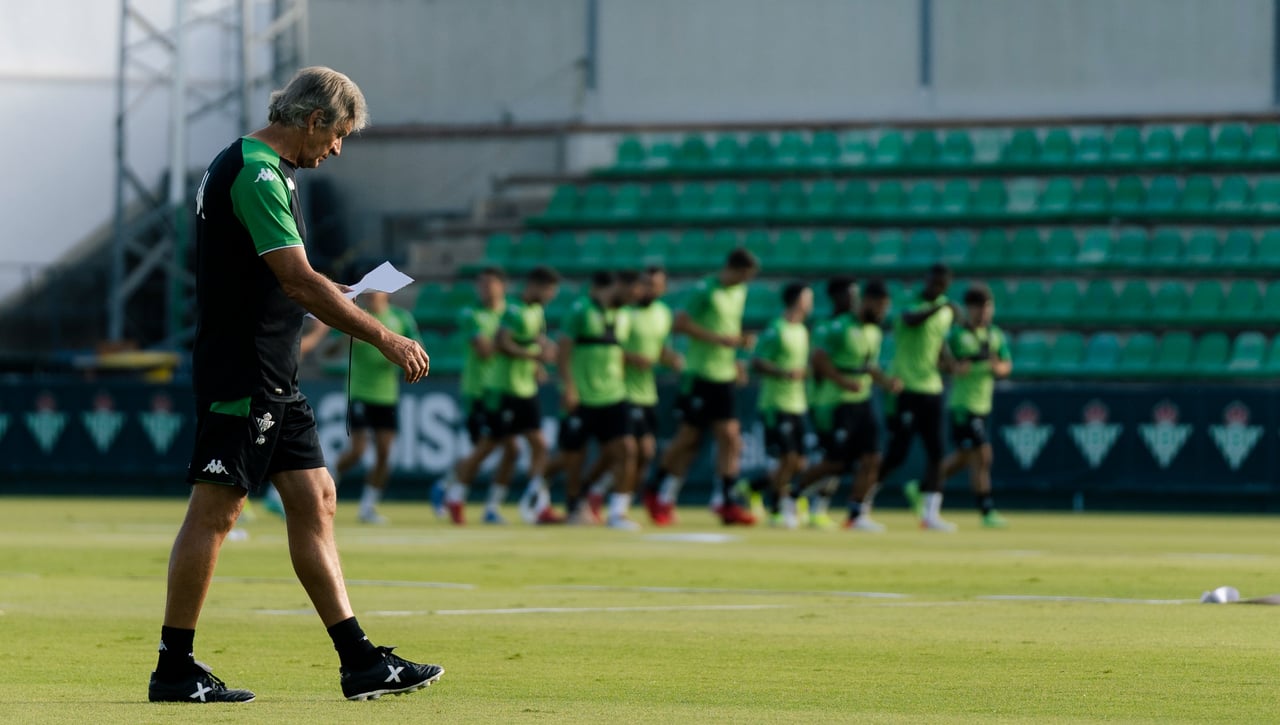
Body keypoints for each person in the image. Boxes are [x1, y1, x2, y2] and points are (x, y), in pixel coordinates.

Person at [150, 67, 441, 704]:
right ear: (313, 121)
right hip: (245, 370)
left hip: (274, 371)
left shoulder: (263, 168)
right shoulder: (256, 171)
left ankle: (360, 661)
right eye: (337, 135)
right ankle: (174, 669)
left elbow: (281, 273)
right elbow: (293, 279)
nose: (337, 149)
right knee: (217, 512)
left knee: (317, 500)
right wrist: (384, 336)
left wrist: (324, 288)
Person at [644, 248, 760, 526]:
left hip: (723, 374)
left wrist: (736, 359)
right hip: (699, 374)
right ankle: (655, 489)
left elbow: (729, 328)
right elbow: (681, 323)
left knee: (731, 437)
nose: (745, 282)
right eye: (744, 276)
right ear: (733, 269)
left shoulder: (738, 293)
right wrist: (719, 340)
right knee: (688, 440)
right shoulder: (705, 290)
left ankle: (725, 500)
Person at [794, 278, 898, 531]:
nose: (883, 312)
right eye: (881, 306)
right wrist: (843, 382)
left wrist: (885, 382)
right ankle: (791, 494)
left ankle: (856, 513)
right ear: (869, 302)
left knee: (873, 458)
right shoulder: (837, 327)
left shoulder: (873, 331)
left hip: (862, 401)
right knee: (836, 462)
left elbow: (868, 366)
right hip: (837, 402)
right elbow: (819, 360)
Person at [326, 290, 421, 525]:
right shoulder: (355, 318)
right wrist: (345, 338)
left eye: (375, 292)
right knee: (358, 451)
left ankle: (368, 506)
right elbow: (327, 352)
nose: (370, 296)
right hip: (359, 393)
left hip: (386, 395)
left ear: (386, 293)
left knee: (385, 454)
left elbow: (416, 347)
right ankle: (324, 488)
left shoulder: (401, 318)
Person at [876, 263, 958, 531]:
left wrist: (949, 362)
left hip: (932, 388)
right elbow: (911, 320)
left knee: (937, 452)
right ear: (926, 280)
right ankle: (860, 504)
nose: (936, 288)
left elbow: (938, 341)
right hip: (905, 387)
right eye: (933, 283)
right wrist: (941, 308)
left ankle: (931, 514)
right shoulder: (909, 300)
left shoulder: (944, 310)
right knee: (897, 453)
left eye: (941, 285)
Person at [555, 271, 640, 529]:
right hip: (583, 394)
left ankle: (618, 512)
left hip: (614, 394)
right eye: (631, 293)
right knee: (574, 456)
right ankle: (573, 504)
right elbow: (563, 352)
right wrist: (568, 387)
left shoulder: (624, 316)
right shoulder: (580, 311)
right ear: (618, 285)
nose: (634, 298)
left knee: (626, 450)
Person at [438, 267, 520, 525]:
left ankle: (454, 488)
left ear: (502, 286)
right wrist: (512, 343)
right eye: (481, 284)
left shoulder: (511, 313)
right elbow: (485, 350)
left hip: (506, 389)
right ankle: (456, 494)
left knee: (508, 449)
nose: (484, 289)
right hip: (479, 391)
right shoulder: (471, 314)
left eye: (490, 284)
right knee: (489, 446)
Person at [483, 266, 560, 524]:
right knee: (496, 447)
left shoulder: (536, 311)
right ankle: (454, 489)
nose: (550, 296)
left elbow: (535, 340)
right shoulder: (513, 309)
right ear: (535, 285)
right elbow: (502, 342)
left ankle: (534, 502)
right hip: (505, 388)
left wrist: (539, 363)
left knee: (534, 446)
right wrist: (534, 357)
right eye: (548, 291)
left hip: (525, 387)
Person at [940, 283, 1012, 528]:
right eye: (978, 308)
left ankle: (925, 486)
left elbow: (1006, 365)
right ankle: (986, 510)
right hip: (963, 404)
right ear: (969, 309)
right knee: (983, 455)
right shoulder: (958, 335)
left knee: (963, 458)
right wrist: (954, 368)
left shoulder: (995, 335)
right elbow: (942, 361)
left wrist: (996, 368)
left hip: (984, 404)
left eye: (987, 307)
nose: (983, 313)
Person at [748, 282, 812, 528]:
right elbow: (758, 362)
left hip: (797, 402)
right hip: (775, 402)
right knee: (788, 457)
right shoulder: (776, 328)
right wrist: (784, 373)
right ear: (798, 300)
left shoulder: (803, 330)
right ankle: (777, 506)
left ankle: (754, 488)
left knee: (799, 462)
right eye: (808, 297)